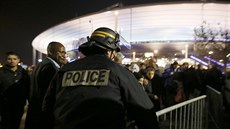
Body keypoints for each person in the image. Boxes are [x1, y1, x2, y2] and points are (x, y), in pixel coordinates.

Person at [42, 27, 159, 129]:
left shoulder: (64, 70)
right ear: (109, 51)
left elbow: (47, 108)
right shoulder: (120, 72)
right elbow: (145, 112)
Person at [25, 41, 67, 129]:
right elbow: (48, 94)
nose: (64, 55)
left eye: (65, 52)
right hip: (44, 115)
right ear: (51, 52)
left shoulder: (41, 65)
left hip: (35, 112)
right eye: (61, 52)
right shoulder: (50, 68)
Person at [0, 51, 30, 129]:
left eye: (14, 59)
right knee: (6, 124)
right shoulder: (1, 72)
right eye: (9, 59)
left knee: (16, 123)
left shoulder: (24, 73)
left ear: (18, 60)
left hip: (19, 104)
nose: (12, 61)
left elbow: (27, 87)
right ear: (6, 60)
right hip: (5, 104)